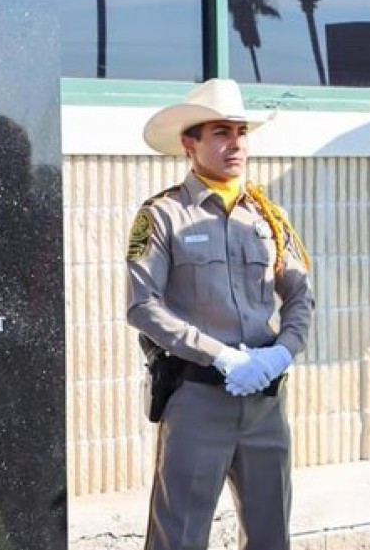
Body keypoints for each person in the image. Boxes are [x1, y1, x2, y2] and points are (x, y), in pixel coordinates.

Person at [126, 78, 313, 550]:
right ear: (189, 144)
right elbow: (142, 306)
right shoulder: (163, 215)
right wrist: (221, 357)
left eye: (241, 132)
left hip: (265, 402)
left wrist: (282, 353)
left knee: (271, 536)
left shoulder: (268, 216)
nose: (236, 144)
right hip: (197, 399)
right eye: (221, 132)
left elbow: (300, 295)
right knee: (180, 537)